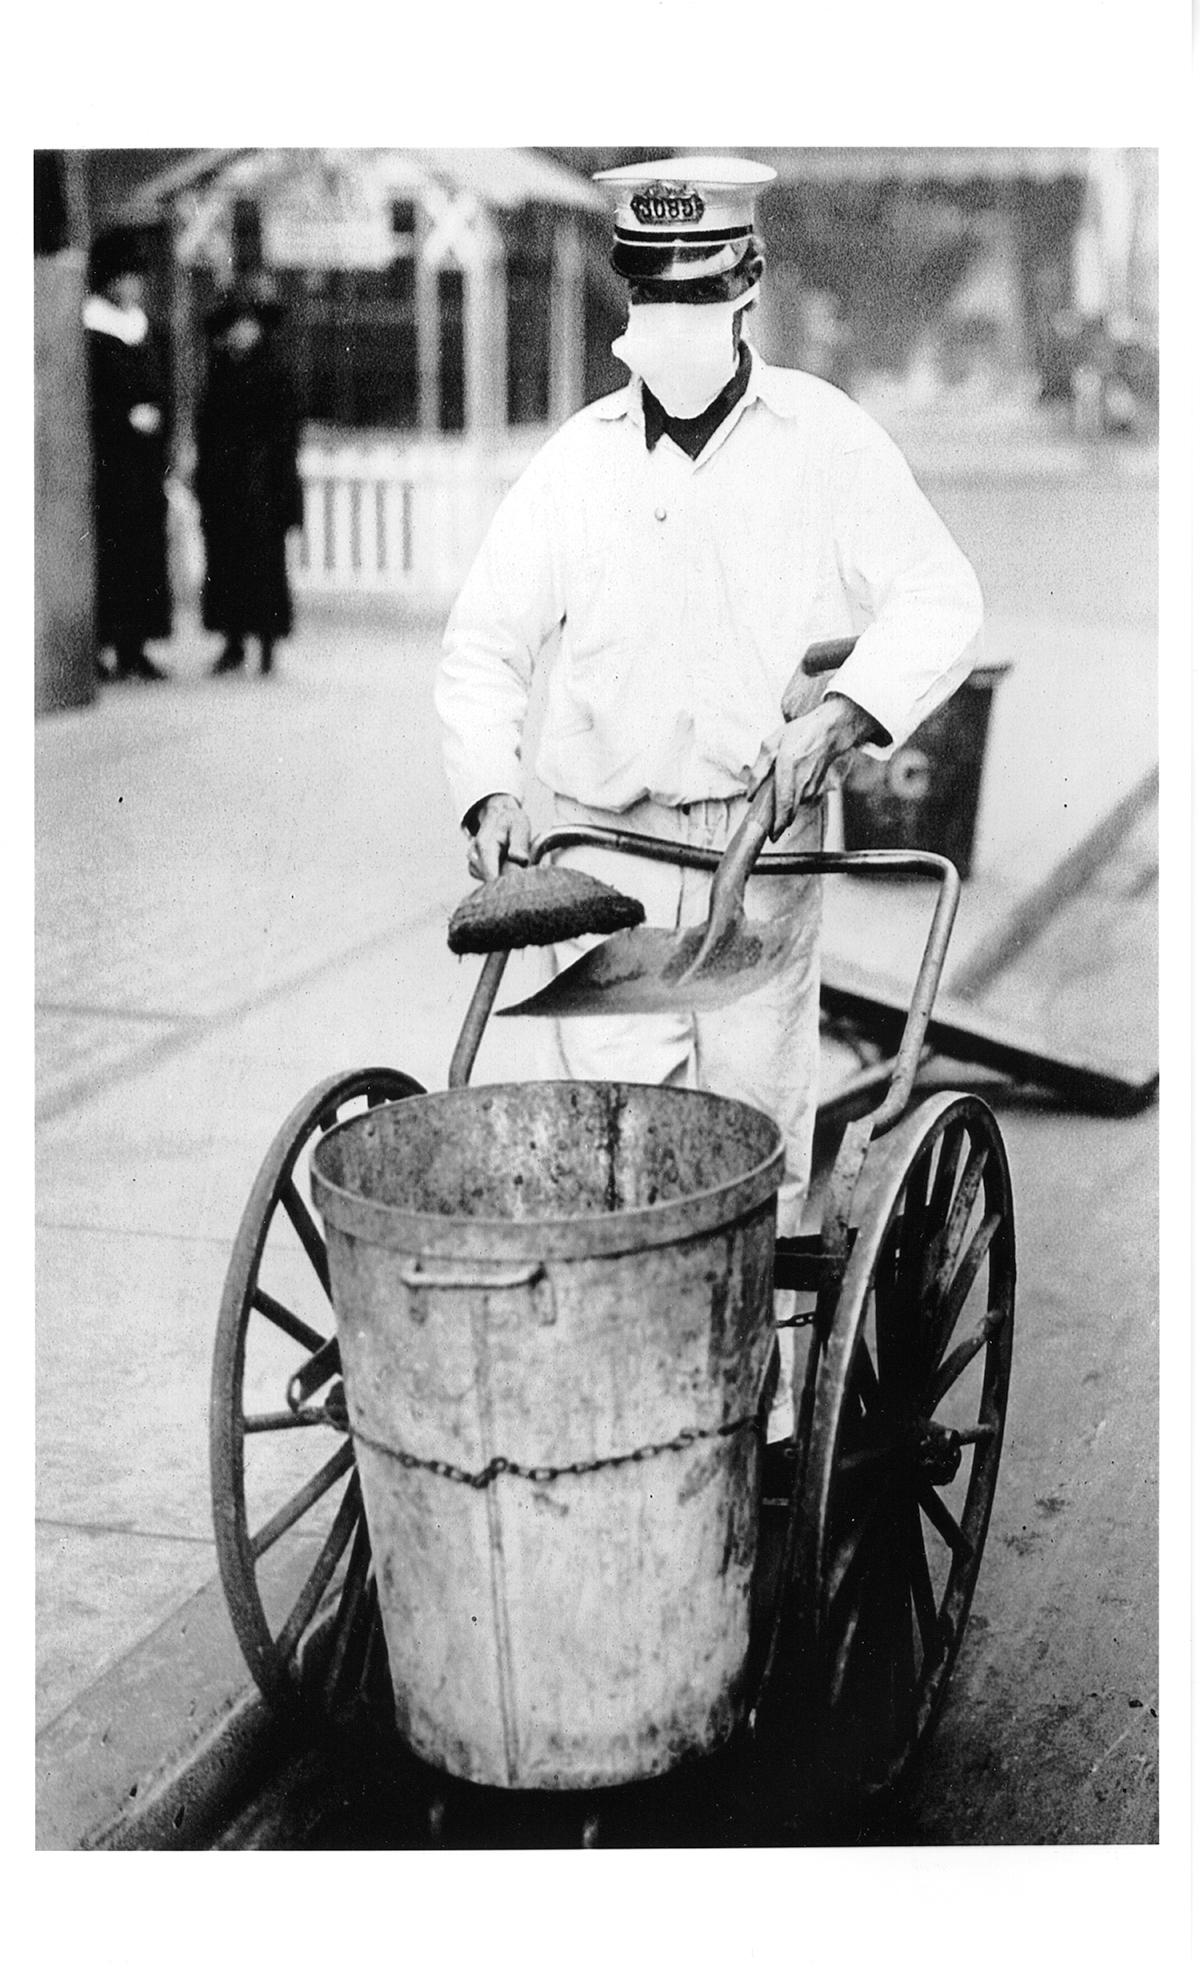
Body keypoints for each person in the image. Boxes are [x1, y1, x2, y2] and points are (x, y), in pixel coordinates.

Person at [436, 156, 983, 1423]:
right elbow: (482, 643)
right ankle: (626, 1417)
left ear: (748, 288)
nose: (676, 328)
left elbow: (940, 596)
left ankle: (764, 1421)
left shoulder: (825, 441)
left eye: (701, 297)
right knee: (613, 1152)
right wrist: (486, 797)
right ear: (628, 305)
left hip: (762, 855)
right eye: (654, 301)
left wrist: (842, 715)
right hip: (608, 863)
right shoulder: (578, 464)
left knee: (751, 1145)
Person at [194, 288, 303, 677]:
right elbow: (206, 429)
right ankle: (233, 642)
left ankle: (268, 645)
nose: (242, 333)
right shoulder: (218, 370)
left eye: (249, 326)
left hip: (263, 485)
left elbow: (287, 435)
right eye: (236, 326)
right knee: (226, 563)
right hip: (225, 485)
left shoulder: (275, 371)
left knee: (265, 565)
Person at [83, 228, 173, 681]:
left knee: (142, 556)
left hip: (143, 466)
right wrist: (124, 420)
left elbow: (164, 389)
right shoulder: (91, 329)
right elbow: (89, 399)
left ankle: (135, 647)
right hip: (108, 463)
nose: (135, 286)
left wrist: (158, 419)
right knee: (108, 555)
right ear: (109, 280)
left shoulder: (145, 329)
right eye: (128, 276)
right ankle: (102, 645)